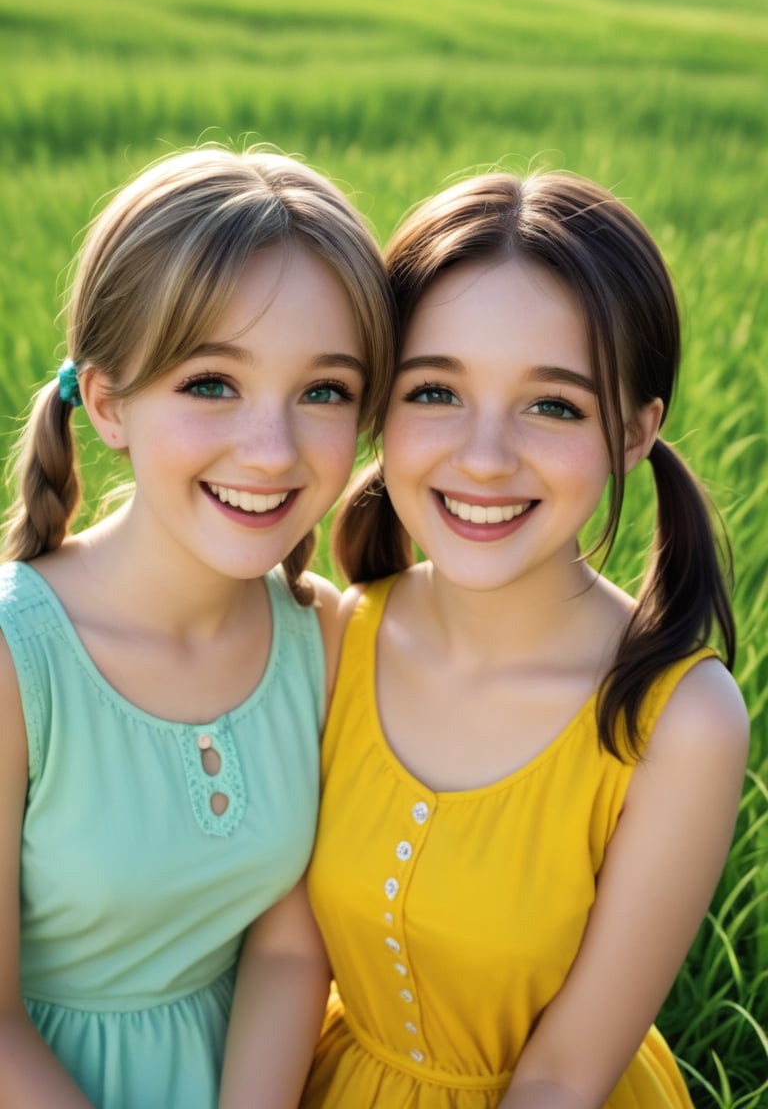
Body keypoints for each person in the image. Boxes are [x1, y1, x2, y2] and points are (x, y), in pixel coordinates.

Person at [300, 170, 750, 1109]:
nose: (485, 457)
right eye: (435, 392)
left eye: (553, 405)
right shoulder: (332, 636)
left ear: (633, 431)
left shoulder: (681, 721)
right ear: (380, 404)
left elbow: (560, 1077)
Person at [0, 144, 396, 1109]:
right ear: (107, 402)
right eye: (211, 382)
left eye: (324, 391)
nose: (270, 451)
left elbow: (291, 946)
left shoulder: (326, 638)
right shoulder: (19, 658)